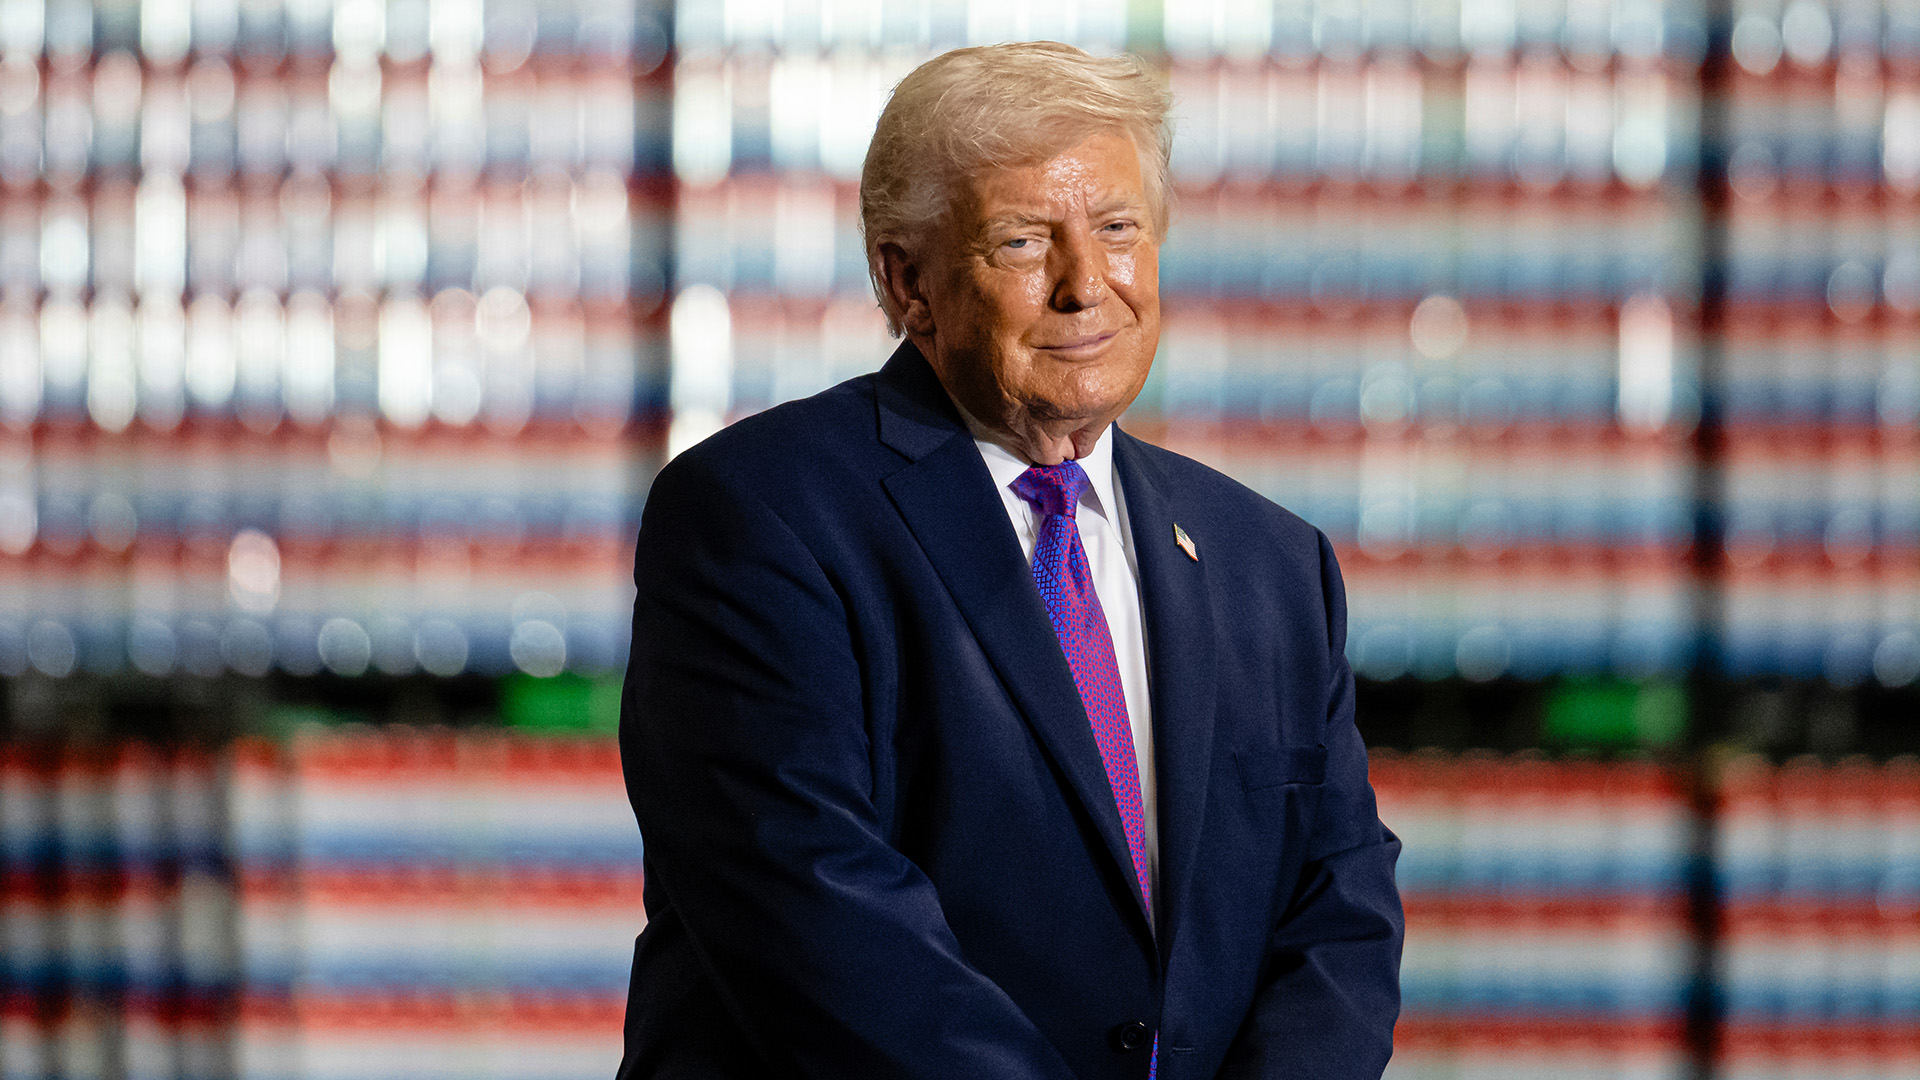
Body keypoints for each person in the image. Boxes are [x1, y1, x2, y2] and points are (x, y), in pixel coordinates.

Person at [617, 41, 1403, 1080]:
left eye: (1118, 229)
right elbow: (811, 912)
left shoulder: (1272, 562)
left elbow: (1339, 905)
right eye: (1023, 241)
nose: (1088, 285)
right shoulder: (762, 516)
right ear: (911, 282)